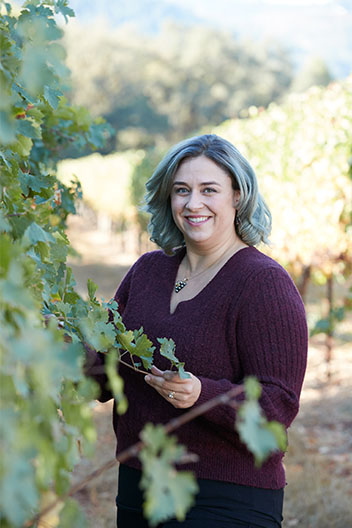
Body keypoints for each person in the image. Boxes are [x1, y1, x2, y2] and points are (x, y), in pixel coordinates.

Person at [85, 134, 308, 528]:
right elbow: (107, 368)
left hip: (226, 499)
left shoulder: (263, 283)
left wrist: (203, 394)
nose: (193, 204)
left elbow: (277, 407)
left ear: (237, 196)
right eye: (181, 190)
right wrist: (61, 348)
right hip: (140, 483)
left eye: (209, 190)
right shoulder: (148, 271)